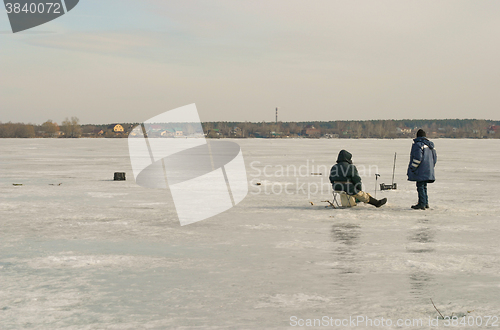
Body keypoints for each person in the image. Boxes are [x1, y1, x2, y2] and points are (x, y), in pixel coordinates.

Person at [407, 129, 437, 210]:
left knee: (420, 186)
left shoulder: (418, 145)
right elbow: (434, 158)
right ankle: (425, 202)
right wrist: (431, 166)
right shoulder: (430, 146)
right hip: (428, 169)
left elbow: (418, 158)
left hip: (421, 170)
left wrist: (413, 167)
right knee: (424, 186)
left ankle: (422, 204)